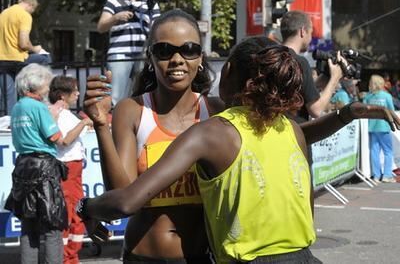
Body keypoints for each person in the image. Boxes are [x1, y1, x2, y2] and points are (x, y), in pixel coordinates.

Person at [77, 41, 400, 263]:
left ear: (227, 70)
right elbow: (303, 134)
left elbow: (126, 201)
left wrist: (86, 208)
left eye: (190, 50)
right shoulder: (286, 129)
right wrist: (344, 115)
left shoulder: (211, 132)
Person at [85, 9, 223, 263]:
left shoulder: (216, 111)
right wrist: (101, 125)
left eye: (189, 49)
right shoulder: (133, 110)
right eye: (164, 51)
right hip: (144, 256)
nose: (177, 59)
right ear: (150, 58)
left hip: (203, 257)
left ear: (200, 58)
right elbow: (123, 196)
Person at [4, 63, 68, 264]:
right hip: (44, 168)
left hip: (22, 166)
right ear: (37, 85)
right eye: (46, 85)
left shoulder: (16, 107)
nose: (48, 89)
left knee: (28, 225)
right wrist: (55, 116)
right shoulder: (39, 107)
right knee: (52, 225)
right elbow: (56, 137)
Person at [48, 76, 93, 264]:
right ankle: (68, 257)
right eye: (73, 90)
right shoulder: (59, 114)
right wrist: (82, 123)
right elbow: (65, 140)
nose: (77, 93)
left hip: (71, 169)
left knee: (74, 213)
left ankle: (70, 255)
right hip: (68, 168)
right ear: (62, 95)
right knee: (72, 213)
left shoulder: (59, 113)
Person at [280, 10, 343, 123]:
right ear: (303, 31)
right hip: (292, 133)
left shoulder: (270, 58)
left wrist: (319, 83)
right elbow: (316, 110)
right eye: (311, 32)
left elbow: (291, 91)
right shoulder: (299, 62)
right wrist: (335, 78)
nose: (311, 38)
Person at [97, 0, 160, 106]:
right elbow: (100, 27)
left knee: (141, 94)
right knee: (116, 96)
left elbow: (158, 29)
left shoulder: (150, 3)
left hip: (143, 55)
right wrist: (115, 18)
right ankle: (114, 121)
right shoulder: (114, 0)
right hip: (119, 54)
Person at [0, 0, 50, 114]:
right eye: (33, 10)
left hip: (2, 60)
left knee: (8, 94)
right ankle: (45, 95)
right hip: (17, 59)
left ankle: (9, 120)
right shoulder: (24, 15)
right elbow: (23, 43)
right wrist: (36, 49)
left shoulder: (3, 14)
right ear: (31, 5)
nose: (32, 12)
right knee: (45, 58)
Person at [364, 75, 396, 183]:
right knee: (388, 151)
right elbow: (391, 111)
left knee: (374, 151)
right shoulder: (387, 96)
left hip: (372, 127)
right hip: (384, 126)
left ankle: (376, 175)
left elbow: (363, 111)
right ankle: (387, 175)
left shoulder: (368, 97)